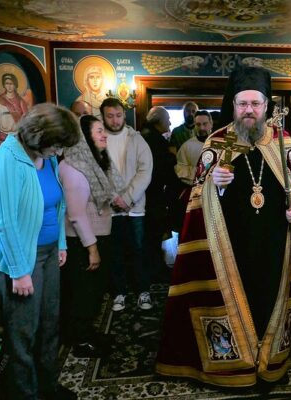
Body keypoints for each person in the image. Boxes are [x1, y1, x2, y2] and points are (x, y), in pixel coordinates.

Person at [156, 66, 291, 387]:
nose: (249, 110)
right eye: (243, 103)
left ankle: (269, 362)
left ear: (266, 105)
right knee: (237, 298)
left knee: (268, 299)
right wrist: (216, 185)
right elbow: (197, 198)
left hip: (273, 244)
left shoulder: (284, 143)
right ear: (233, 105)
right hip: (229, 246)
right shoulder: (218, 143)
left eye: (255, 103)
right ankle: (236, 366)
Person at [0, 103, 80, 400]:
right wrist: (20, 271)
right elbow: (4, 222)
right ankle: (25, 394)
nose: (59, 151)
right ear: (38, 135)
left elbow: (57, 204)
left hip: (48, 251)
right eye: (57, 144)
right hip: (17, 256)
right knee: (23, 331)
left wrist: (61, 243)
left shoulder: (47, 157)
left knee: (50, 323)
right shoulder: (4, 160)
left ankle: (48, 387)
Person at [59, 114, 121, 358]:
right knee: (83, 293)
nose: (104, 135)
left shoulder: (93, 163)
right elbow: (76, 214)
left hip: (97, 236)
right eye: (98, 131)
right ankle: (81, 341)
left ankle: (87, 333)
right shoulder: (73, 167)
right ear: (84, 137)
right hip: (82, 242)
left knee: (94, 291)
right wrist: (92, 248)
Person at [100, 97, 153, 312]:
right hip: (109, 208)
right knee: (115, 252)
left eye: (118, 115)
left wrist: (128, 198)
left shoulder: (137, 139)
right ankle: (119, 293)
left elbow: (145, 170)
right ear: (103, 117)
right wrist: (113, 198)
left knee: (138, 250)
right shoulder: (98, 140)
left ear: (124, 115)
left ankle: (142, 291)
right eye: (110, 116)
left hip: (135, 208)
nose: (115, 120)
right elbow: (95, 171)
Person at [141, 106, 181, 283]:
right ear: (159, 121)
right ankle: (155, 270)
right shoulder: (154, 140)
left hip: (151, 193)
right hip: (153, 195)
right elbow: (163, 169)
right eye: (167, 119)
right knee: (153, 234)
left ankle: (155, 267)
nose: (170, 122)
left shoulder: (148, 136)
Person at [0, 73, 29, 149]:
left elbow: (26, 118)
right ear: (4, 85)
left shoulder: (21, 101)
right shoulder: (0, 100)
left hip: (17, 136)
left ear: (15, 85)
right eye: (7, 83)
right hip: (3, 136)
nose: (9, 86)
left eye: (11, 83)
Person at [175, 110, 213, 186]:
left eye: (205, 124)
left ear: (211, 124)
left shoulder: (221, 144)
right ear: (194, 126)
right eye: (198, 124)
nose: (202, 128)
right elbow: (180, 169)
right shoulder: (186, 146)